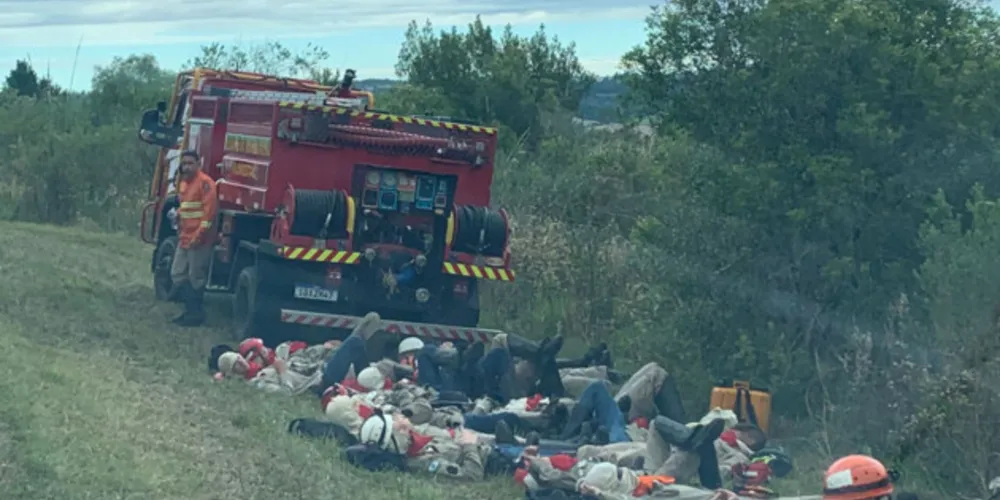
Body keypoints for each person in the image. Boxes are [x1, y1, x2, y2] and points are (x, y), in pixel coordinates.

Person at [170, 150, 217, 327]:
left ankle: (194, 314)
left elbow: (209, 214)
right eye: (184, 163)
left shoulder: (206, 183)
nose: (187, 167)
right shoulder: (183, 183)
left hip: (200, 239)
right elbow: (187, 206)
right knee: (177, 273)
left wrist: (199, 236)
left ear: (199, 164)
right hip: (184, 236)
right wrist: (178, 215)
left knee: (196, 276)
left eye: (190, 163)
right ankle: (190, 309)